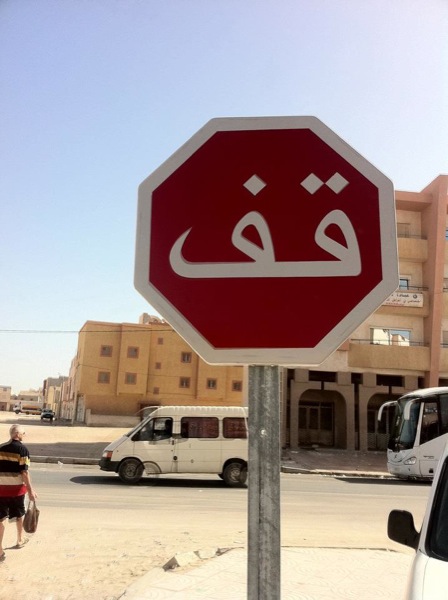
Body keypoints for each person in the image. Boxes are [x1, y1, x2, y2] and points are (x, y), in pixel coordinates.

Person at [0, 424, 38, 562]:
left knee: (1, 518)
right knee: (19, 515)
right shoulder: (23, 450)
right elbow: (24, 472)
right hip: (16, 490)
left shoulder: (1, 448)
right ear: (18, 434)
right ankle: (19, 539)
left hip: (1, 490)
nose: (23, 435)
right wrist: (31, 490)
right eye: (23, 433)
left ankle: (0, 550)